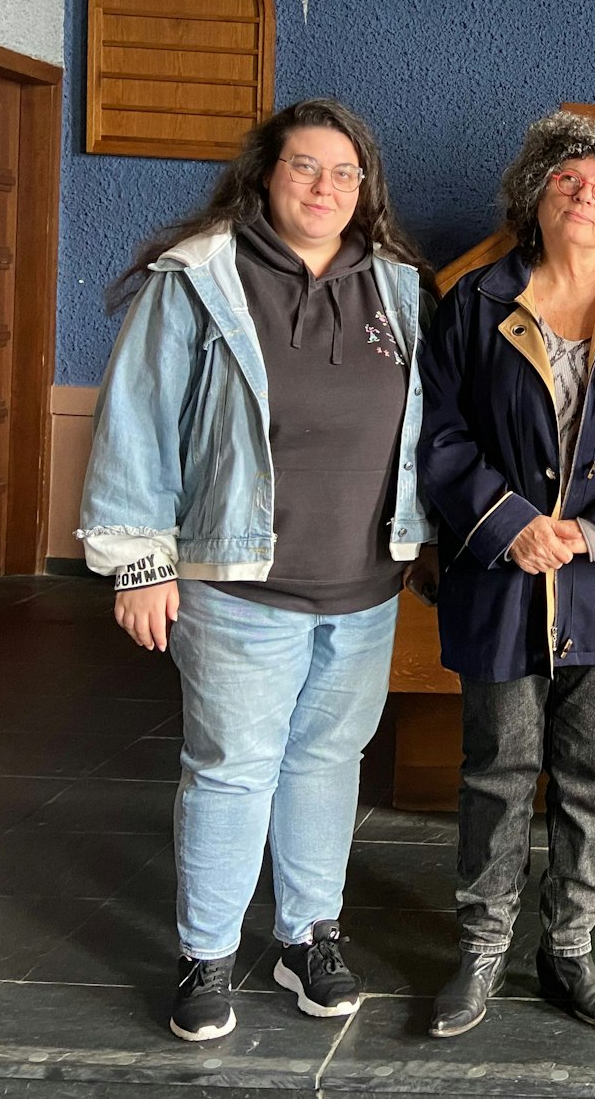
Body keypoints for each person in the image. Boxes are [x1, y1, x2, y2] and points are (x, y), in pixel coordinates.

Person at [78, 99, 436, 1041]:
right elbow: (138, 420)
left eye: (345, 174)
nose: (326, 187)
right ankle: (206, 955)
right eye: (306, 168)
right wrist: (138, 565)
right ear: (266, 176)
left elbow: (424, 430)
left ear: (366, 192)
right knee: (234, 769)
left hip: (363, 586)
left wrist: (428, 538)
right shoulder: (199, 279)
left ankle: (307, 933)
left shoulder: (398, 288)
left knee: (326, 761)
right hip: (238, 586)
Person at [419, 111, 595, 1037]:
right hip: (504, 575)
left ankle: (570, 949)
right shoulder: (473, 302)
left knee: (593, 773)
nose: (585, 195)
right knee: (499, 768)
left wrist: (594, 532)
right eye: (567, 180)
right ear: (533, 195)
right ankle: (481, 950)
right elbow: (443, 433)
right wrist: (511, 525)